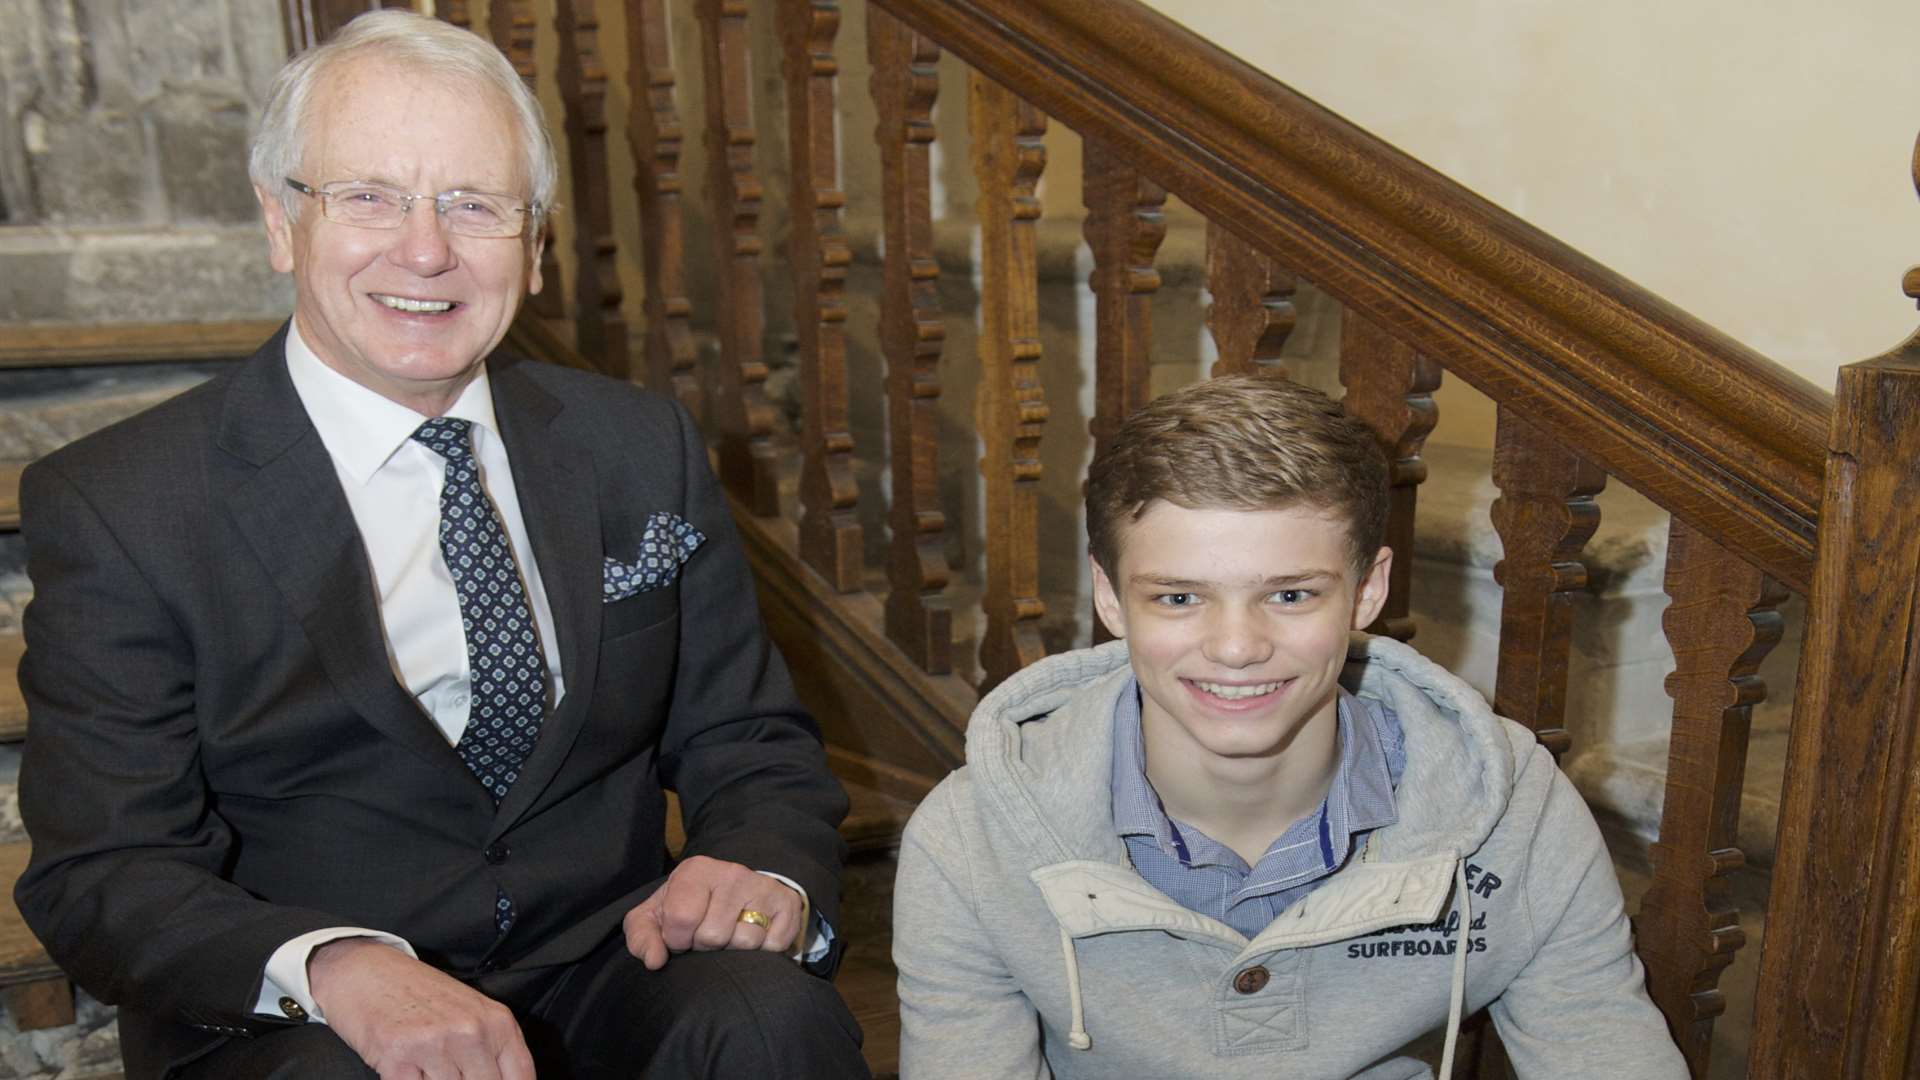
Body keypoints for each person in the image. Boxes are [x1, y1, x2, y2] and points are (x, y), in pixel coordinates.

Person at [13, 12, 868, 1079]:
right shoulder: (123, 505)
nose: (426, 249)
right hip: (305, 1018)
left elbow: (750, 741)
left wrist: (758, 866)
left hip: (606, 966)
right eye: (367, 196)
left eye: (475, 205)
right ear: (282, 223)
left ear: (539, 247)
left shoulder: (637, 446)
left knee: (766, 1022)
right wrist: (332, 968)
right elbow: (106, 870)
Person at [893, 374, 1687, 1078]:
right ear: (1109, 599)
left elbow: (1600, 1039)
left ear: (1367, 591)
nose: (1236, 647)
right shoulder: (971, 838)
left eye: (1290, 595)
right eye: (1177, 597)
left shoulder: (1513, 809)